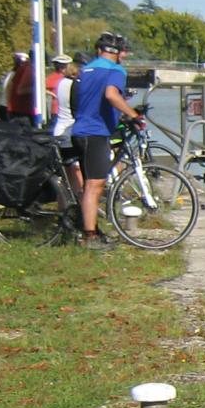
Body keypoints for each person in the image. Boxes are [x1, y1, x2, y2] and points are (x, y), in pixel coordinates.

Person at [69, 33, 147, 249]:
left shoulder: (88, 70)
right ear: (119, 53)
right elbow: (111, 95)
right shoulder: (115, 70)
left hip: (81, 130)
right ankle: (90, 236)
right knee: (95, 185)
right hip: (95, 133)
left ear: (98, 50)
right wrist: (133, 115)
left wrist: (118, 115)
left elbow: (91, 101)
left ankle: (89, 228)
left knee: (89, 185)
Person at [46, 54, 81, 192]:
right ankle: (81, 202)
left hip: (59, 128)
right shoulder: (74, 85)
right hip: (69, 131)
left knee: (66, 175)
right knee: (77, 170)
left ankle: (65, 206)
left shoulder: (61, 82)